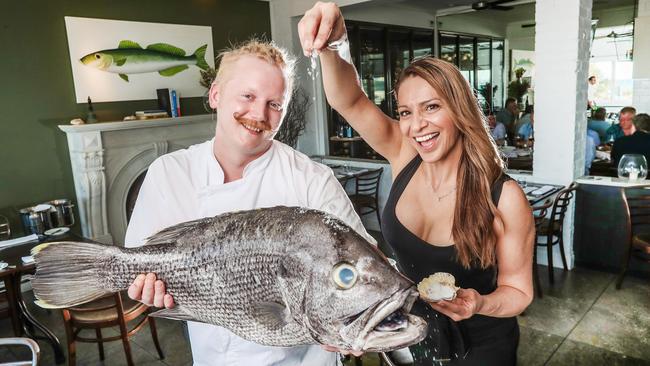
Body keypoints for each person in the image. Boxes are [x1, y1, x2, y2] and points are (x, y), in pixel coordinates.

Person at [298, 3, 534, 365]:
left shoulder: (503, 196)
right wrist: (333, 42)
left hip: (482, 349)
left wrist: (479, 303)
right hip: (407, 340)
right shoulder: (403, 152)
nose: (417, 125)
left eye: (431, 107)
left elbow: (519, 291)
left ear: (460, 110)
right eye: (406, 112)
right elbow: (348, 99)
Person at [125, 39, 372, 365]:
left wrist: (358, 322)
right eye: (248, 96)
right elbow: (137, 267)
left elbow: (364, 266)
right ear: (215, 95)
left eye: (275, 104)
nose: (259, 114)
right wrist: (144, 288)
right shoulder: (169, 173)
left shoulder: (312, 179)